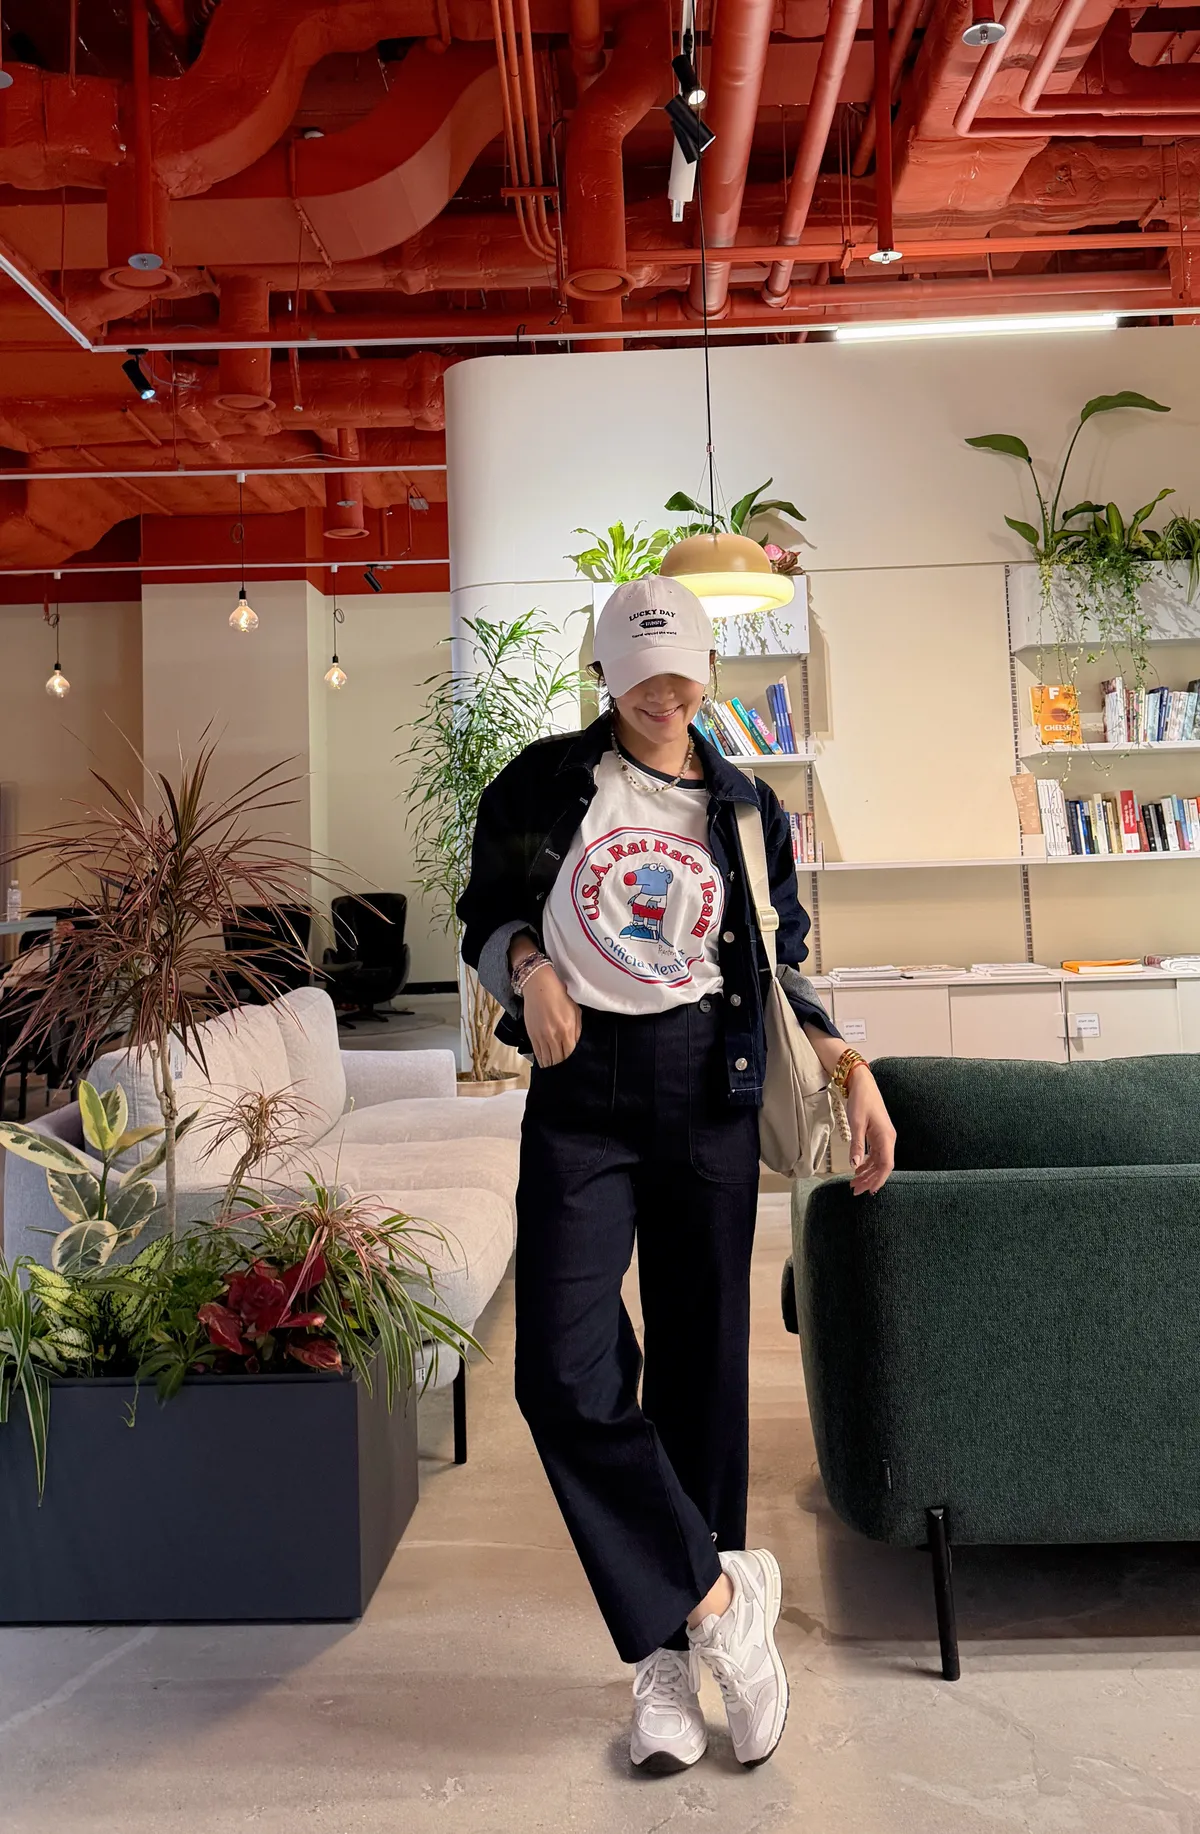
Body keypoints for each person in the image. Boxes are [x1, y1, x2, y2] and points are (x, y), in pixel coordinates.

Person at [458, 577, 896, 1774]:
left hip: (712, 1080)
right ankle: (716, 1603)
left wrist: (848, 1065)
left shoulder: (747, 806)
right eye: (641, 671)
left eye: (683, 671)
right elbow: (485, 915)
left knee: (702, 1370)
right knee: (561, 1369)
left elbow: (779, 960)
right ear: (604, 672)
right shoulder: (540, 783)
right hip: (580, 1092)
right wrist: (529, 968)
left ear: (706, 672)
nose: (665, 693)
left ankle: (664, 1663)